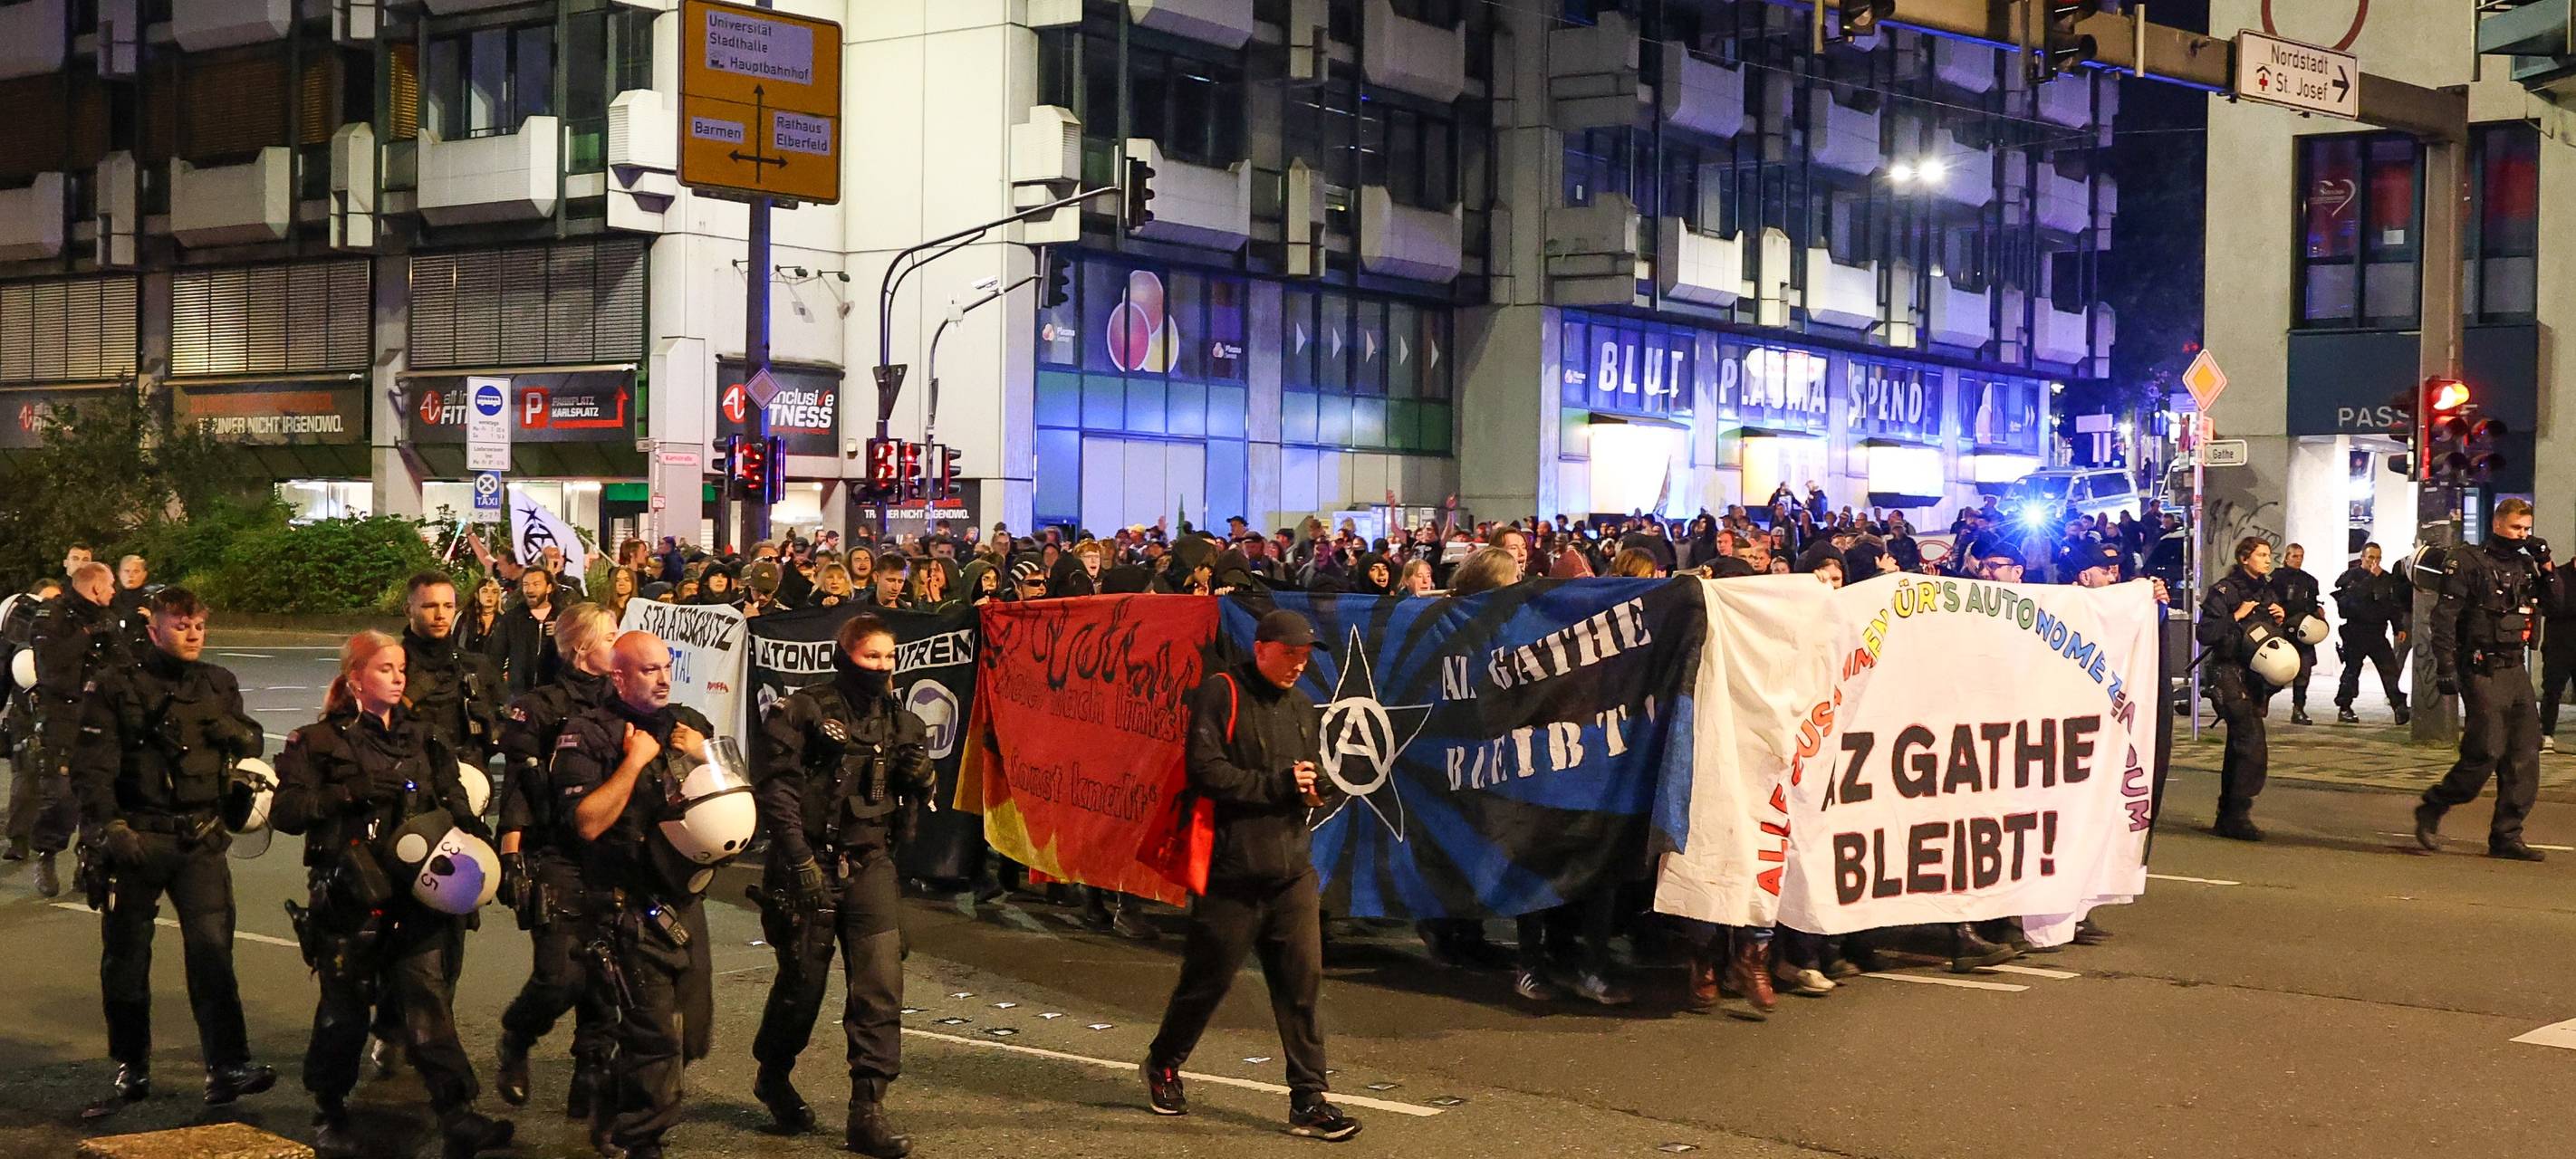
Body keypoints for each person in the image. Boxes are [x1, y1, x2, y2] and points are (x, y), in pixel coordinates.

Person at [274, 630, 512, 1159]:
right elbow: (287, 812)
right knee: (345, 1011)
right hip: (349, 895)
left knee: (429, 1004)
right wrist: (345, 793)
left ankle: (458, 1116)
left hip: (416, 894)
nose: (399, 676)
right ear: (356, 678)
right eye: (385, 668)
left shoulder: (424, 737)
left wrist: (484, 850)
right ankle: (329, 1110)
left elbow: (457, 802)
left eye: (401, 668)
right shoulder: (316, 741)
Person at [1142, 610, 1360, 1142]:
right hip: (1231, 872)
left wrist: (1317, 786)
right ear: (1261, 647)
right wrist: (1280, 785)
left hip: (1291, 871)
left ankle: (1309, 1100)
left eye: (1306, 656)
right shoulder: (1221, 693)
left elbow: (1307, 771)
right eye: (1290, 654)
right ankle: (1163, 1063)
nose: (1299, 665)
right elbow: (1206, 770)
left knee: (1301, 987)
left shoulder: (1305, 706)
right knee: (1206, 981)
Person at [69, 587, 276, 1119]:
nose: (192, 634)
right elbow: (92, 767)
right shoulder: (117, 685)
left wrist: (229, 729)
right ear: (155, 626)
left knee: (212, 955)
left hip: (200, 837)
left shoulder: (217, 683)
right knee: (126, 960)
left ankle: (226, 1065)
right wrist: (109, 827)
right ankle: (132, 1064)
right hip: (137, 838)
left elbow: (251, 742)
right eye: (180, 624)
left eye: (199, 626)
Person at [747, 613, 935, 1155]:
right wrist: (798, 860)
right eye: (871, 656)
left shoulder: (901, 721)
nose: (881, 667)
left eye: (888, 658)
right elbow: (777, 791)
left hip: (871, 862)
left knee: (880, 986)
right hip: (809, 864)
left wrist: (920, 780)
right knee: (801, 988)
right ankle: (773, 1074)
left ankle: (867, 1109)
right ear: (845, 654)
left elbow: (909, 792)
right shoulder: (803, 710)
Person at [552, 632, 720, 1159]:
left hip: (684, 899)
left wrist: (705, 757)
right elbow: (587, 822)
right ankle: (640, 1135)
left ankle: (610, 1095)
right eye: (648, 670)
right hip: (625, 901)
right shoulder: (588, 734)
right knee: (655, 1036)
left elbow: (733, 802)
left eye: (667, 666)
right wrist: (634, 762)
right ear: (619, 677)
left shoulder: (689, 726)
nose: (664, 677)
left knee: (693, 1034)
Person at [492, 603, 621, 1119]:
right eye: (611, 634)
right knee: (560, 975)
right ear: (582, 647)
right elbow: (521, 788)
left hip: (611, 852)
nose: (621, 641)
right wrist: (512, 854)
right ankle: (517, 1036)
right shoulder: (540, 706)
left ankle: (590, 1079)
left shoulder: (626, 699)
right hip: (555, 849)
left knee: (608, 974)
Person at [2417, 499, 2559, 861]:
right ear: (2498, 524)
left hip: (2515, 670)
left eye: (2526, 529)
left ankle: (2507, 836)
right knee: (2486, 751)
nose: (2523, 535)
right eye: (2516, 528)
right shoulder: (2467, 562)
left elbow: (2557, 603)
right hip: (2480, 668)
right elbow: (2444, 619)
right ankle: (2435, 803)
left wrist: (2546, 563)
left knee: (2526, 754)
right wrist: (2446, 667)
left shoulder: (2527, 565)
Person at [27, 560, 129, 896]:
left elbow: (124, 661)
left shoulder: (107, 618)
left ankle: (90, 860)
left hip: (99, 716)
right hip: (61, 715)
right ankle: (47, 852)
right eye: (110, 584)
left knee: (99, 792)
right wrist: (86, 634)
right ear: (95, 587)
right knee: (60, 796)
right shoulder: (51, 615)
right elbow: (52, 664)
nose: (114, 590)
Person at [2197, 537, 2287, 841]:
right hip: (2227, 673)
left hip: (2253, 677)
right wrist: (2235, 615)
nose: (2267, 559)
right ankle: (2237, 815)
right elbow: (2206, 632)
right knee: (2250, 741)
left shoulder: (2266, 589)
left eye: (2269, 555)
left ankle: (2228, 815)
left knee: (2240, 744)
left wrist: (2280, 619)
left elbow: (2269, 637)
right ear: (2244, 558)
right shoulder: (2225, 590)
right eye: (2261, 554)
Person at [2332, 542, 2412, 726]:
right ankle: (2344, 707)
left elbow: (2392, 605)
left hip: (2377, 633)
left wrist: (2398, 627)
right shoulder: (2351, 577)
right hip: (2356, 632)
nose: (2374, 562)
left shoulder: (2386, 579)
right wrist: (2370, 578)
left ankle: (2399, 707)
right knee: (2352, 671)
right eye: (2370, 558)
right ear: (2362, 557)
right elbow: (2352, 600)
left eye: (2377, 558)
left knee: (2390, 670)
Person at [2270, 543, 2323, 725]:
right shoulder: (2276, 578)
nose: (2298, 560)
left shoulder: (2309, 581)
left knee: (2304, 672)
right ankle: (2262, 702)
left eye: (2301, 556)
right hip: (2283, 630)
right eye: (2294, 556)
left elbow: (2313, 603)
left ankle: (2298, 708)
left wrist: (2318, 614)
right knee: (2275, 671)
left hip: (2304, 631)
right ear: (2286, 557)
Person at [495, 567, 562, 697]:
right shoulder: (512, 619)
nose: (530, 590)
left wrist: (562, 633)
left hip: (554, 694)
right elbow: (496, 656)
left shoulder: (563, 618)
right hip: (519, 694)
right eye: (526, 585)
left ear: (549, 588)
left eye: (536, 584)